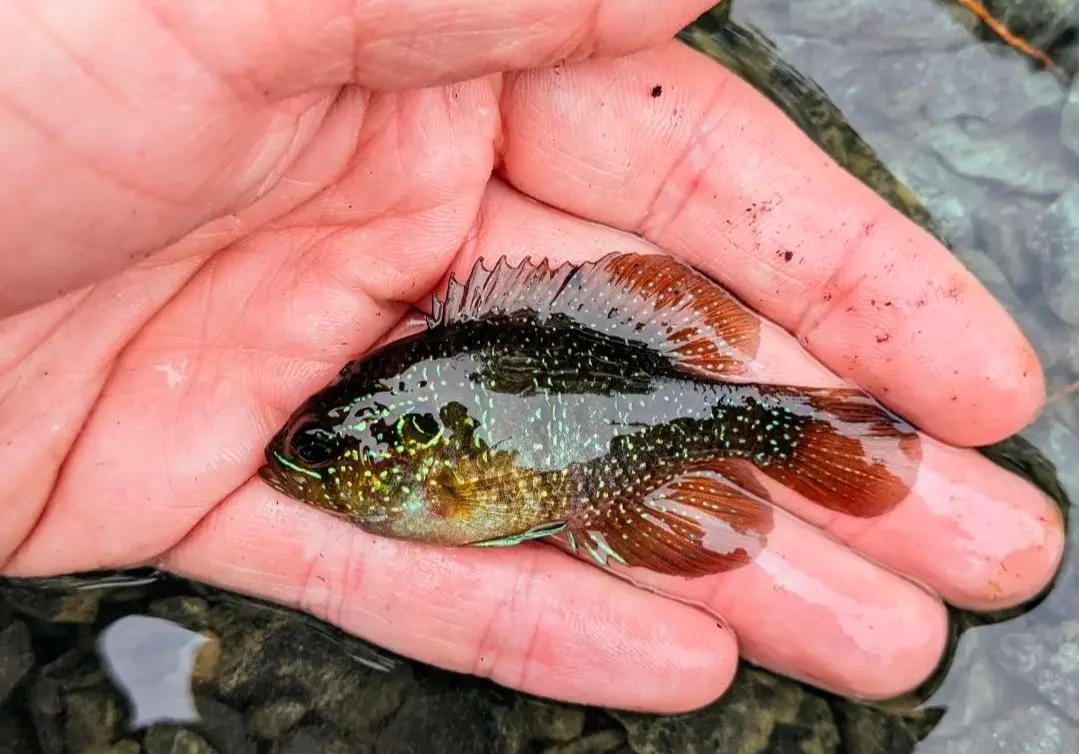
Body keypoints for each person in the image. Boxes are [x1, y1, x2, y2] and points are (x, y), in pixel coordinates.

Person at [0, 1, 1063, 713]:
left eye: (323, 447)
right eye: (321, 447)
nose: (301, 460)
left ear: (402, 445)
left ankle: (802, 438)